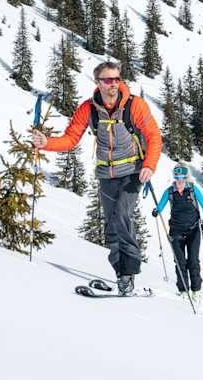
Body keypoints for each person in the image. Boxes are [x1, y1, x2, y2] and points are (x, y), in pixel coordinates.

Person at [31, 61, 161, 296]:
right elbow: (71, 139)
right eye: (108, 80)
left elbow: (153, 136)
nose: (114, 84)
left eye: (117, 79)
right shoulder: (88, 109)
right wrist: (46, 143)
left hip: (133, 171)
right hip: (106, 174)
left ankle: (128, 272)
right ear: (98, 83)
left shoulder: (134, 106)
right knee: (111, 226)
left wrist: (150, 165)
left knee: (123, 214)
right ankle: (120, 274)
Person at [153, 165, 203, 298]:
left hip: (194, 230)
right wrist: (156, 211)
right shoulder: (170, 192)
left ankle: (196, 290)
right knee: (180, 261)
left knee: (193, 261)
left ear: (185, 179)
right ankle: (183, 290)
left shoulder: (193, 190)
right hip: (176, 230)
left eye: (182, 179)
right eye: (177, 178)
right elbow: (160, 205)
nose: (179, 182)